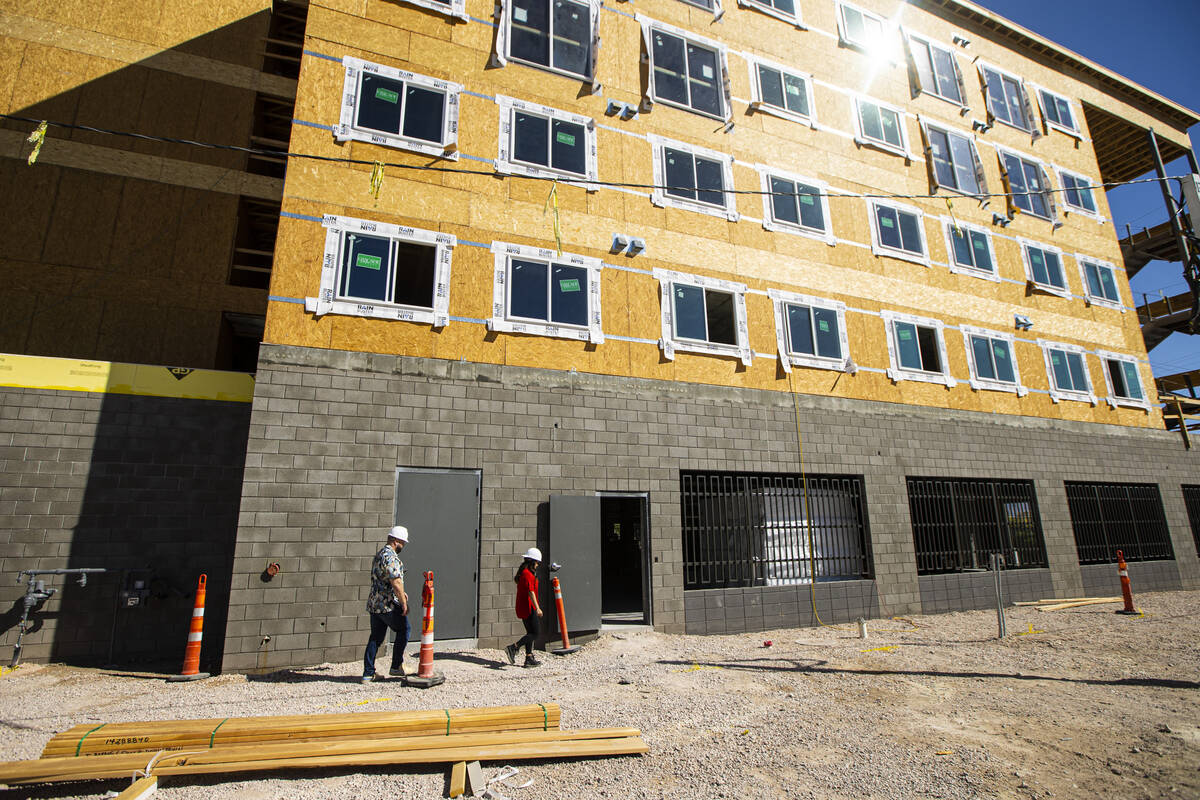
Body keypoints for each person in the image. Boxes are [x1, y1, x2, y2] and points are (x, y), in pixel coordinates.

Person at [362, 525, 411, 683]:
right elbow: (396, 581)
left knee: (375, 638)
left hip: (374, 604)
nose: (403, 546)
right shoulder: (390, 556)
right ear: (396, 541)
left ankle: (368, 673)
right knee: (404, 629)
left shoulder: (380, 554)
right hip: (387, 605)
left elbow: (383, 580)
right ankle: (396, 666)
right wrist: (403, 603)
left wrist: (401, 593)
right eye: (402, 542)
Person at [504, 547, 544, 668]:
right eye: (537, 562)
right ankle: (513, 647)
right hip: (528, 607)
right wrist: (537, 608)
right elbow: (531, 592)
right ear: (532, 561)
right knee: (536, 633)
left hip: (524, 606)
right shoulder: (527, 574)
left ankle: (529, 658)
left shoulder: (525, 573)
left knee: (530, 633)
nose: (538, 565)